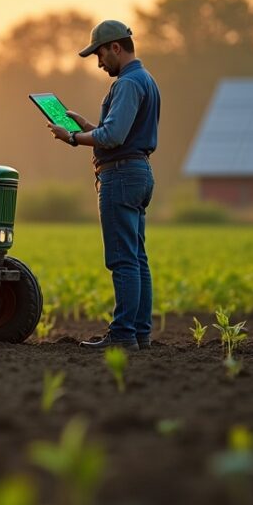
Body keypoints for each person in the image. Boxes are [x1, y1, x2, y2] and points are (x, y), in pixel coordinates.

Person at [46, 19, 160, 350]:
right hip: (138, 171)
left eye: (99, 54)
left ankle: (123, 335)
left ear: (115, 48)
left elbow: (113, 137)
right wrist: (87, 125)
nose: (98, 63)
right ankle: (139, 333)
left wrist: (72, 137)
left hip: (121, 176)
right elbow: (119, 131)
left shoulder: (126, 84)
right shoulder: (146, 80)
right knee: (137, 257)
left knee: (123, 259)